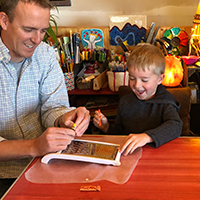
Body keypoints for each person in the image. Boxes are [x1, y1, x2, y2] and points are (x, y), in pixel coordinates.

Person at [0, 0, 90, 196]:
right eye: (29, 29)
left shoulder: (46, 54)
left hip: (44, 166)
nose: (37, 39)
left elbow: (53, 107)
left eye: (43, 31)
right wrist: (33, 146)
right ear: (4, 21)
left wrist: (65, 117)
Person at [93, 43, 183, 156]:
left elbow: (175, 126)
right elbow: (119, 132)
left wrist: (146, 137)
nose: (137, 85)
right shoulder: (125, 102)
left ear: (160, 79)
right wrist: (105, 127)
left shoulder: (165, 102)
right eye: (132, 78)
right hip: (130, 156)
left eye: (144, 80)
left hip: (158, 157)